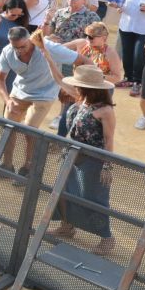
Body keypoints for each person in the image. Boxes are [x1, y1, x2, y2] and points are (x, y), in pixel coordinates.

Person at [47, 63, 118, 254]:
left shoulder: (106, 110)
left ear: (89, 88)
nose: (74, 88)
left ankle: (107, 238)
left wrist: (107, 166)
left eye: (78, 85)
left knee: (94, 198)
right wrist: (46, 54)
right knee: (62, 190)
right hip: (71, 156)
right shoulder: (81, 98)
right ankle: (67, 226)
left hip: (92, 160)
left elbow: (109, 139)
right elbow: (58, 78)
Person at [0, 27, 67, 171]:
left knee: (30, 131)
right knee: (9, 127)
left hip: (44, 95)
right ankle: (6, 165)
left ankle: (28, 168)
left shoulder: (48, 47)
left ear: (30, 40)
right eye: (15, 47)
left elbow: (78, 50)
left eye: (23, 46)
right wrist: (7, 100)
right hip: (20, 92)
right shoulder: (7, 51)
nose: (19, 51)